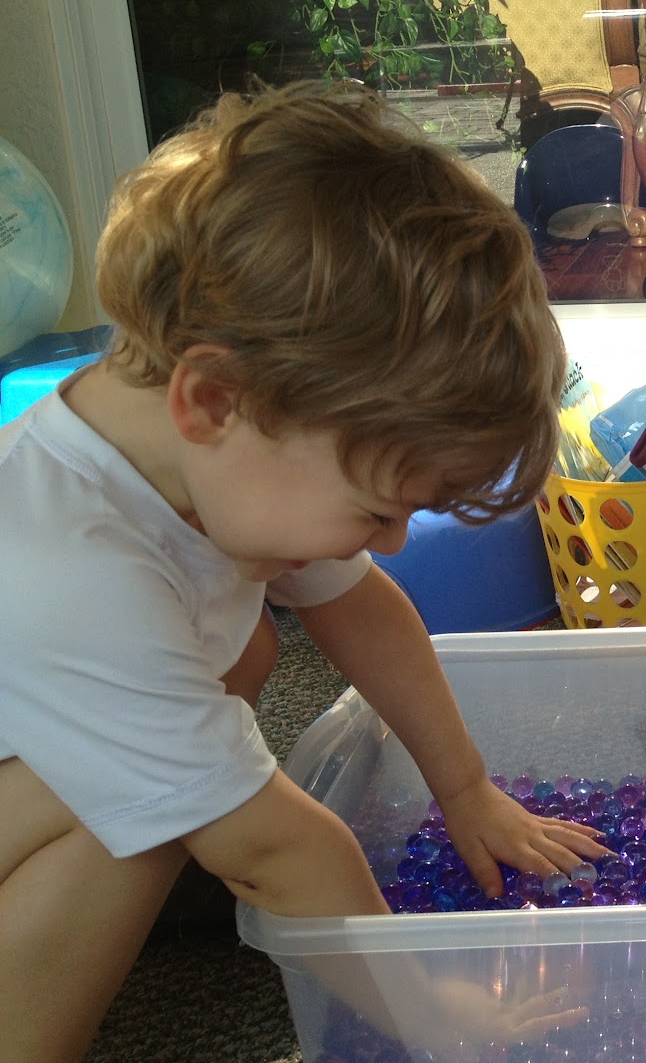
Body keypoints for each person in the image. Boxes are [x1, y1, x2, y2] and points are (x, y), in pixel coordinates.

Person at [0, 82, 610, 1062]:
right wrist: (429, 1013)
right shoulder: (71, 573)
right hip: (37, 777)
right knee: (144, 778)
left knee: (238, 654)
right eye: (379, 508)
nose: (395, 540)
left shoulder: (223, 456)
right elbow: (290, 851)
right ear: (211, 402)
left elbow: (369, 611)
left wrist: (466, 792)